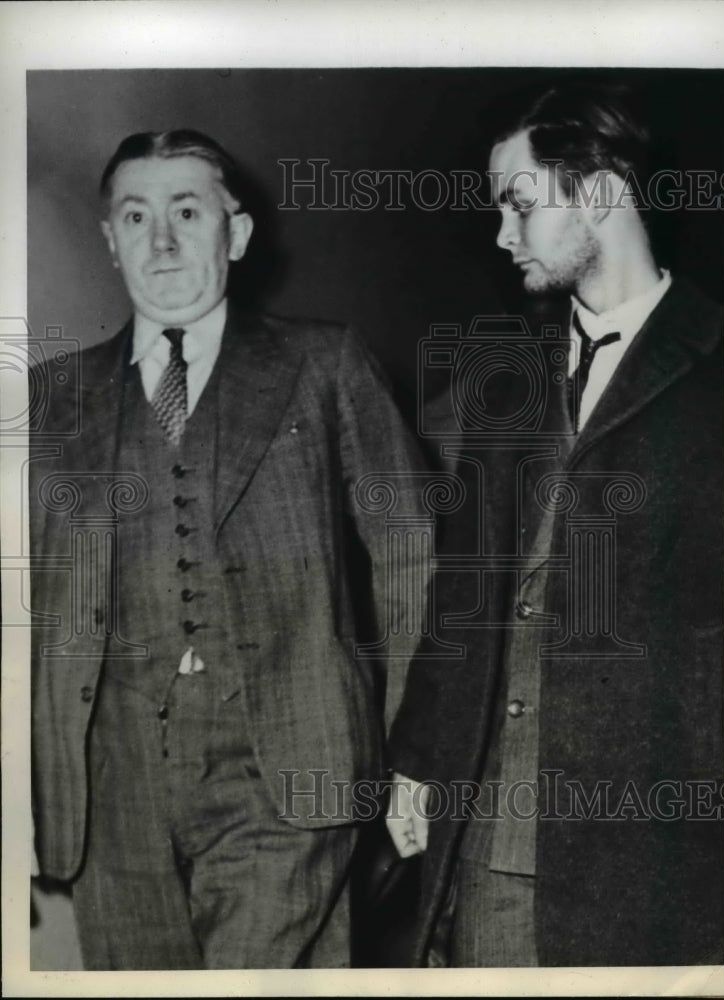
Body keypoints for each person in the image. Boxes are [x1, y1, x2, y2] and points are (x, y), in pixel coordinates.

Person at [29, 129, 428, 969]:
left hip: (290, 775)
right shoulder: (51, 399)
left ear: (235, 235)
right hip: (112, 795)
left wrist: (416, 754)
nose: (162, 240)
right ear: (109, 239)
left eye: (186, 211)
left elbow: (414, 565)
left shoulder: (324, 364)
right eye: (136, 216)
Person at [387, 81, 724, 967]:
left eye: (518, 203)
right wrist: (418, 759)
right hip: (491, 841)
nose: (502, 235)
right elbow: (460, 591)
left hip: (653, 862)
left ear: (601, 191)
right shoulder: (506, 380)